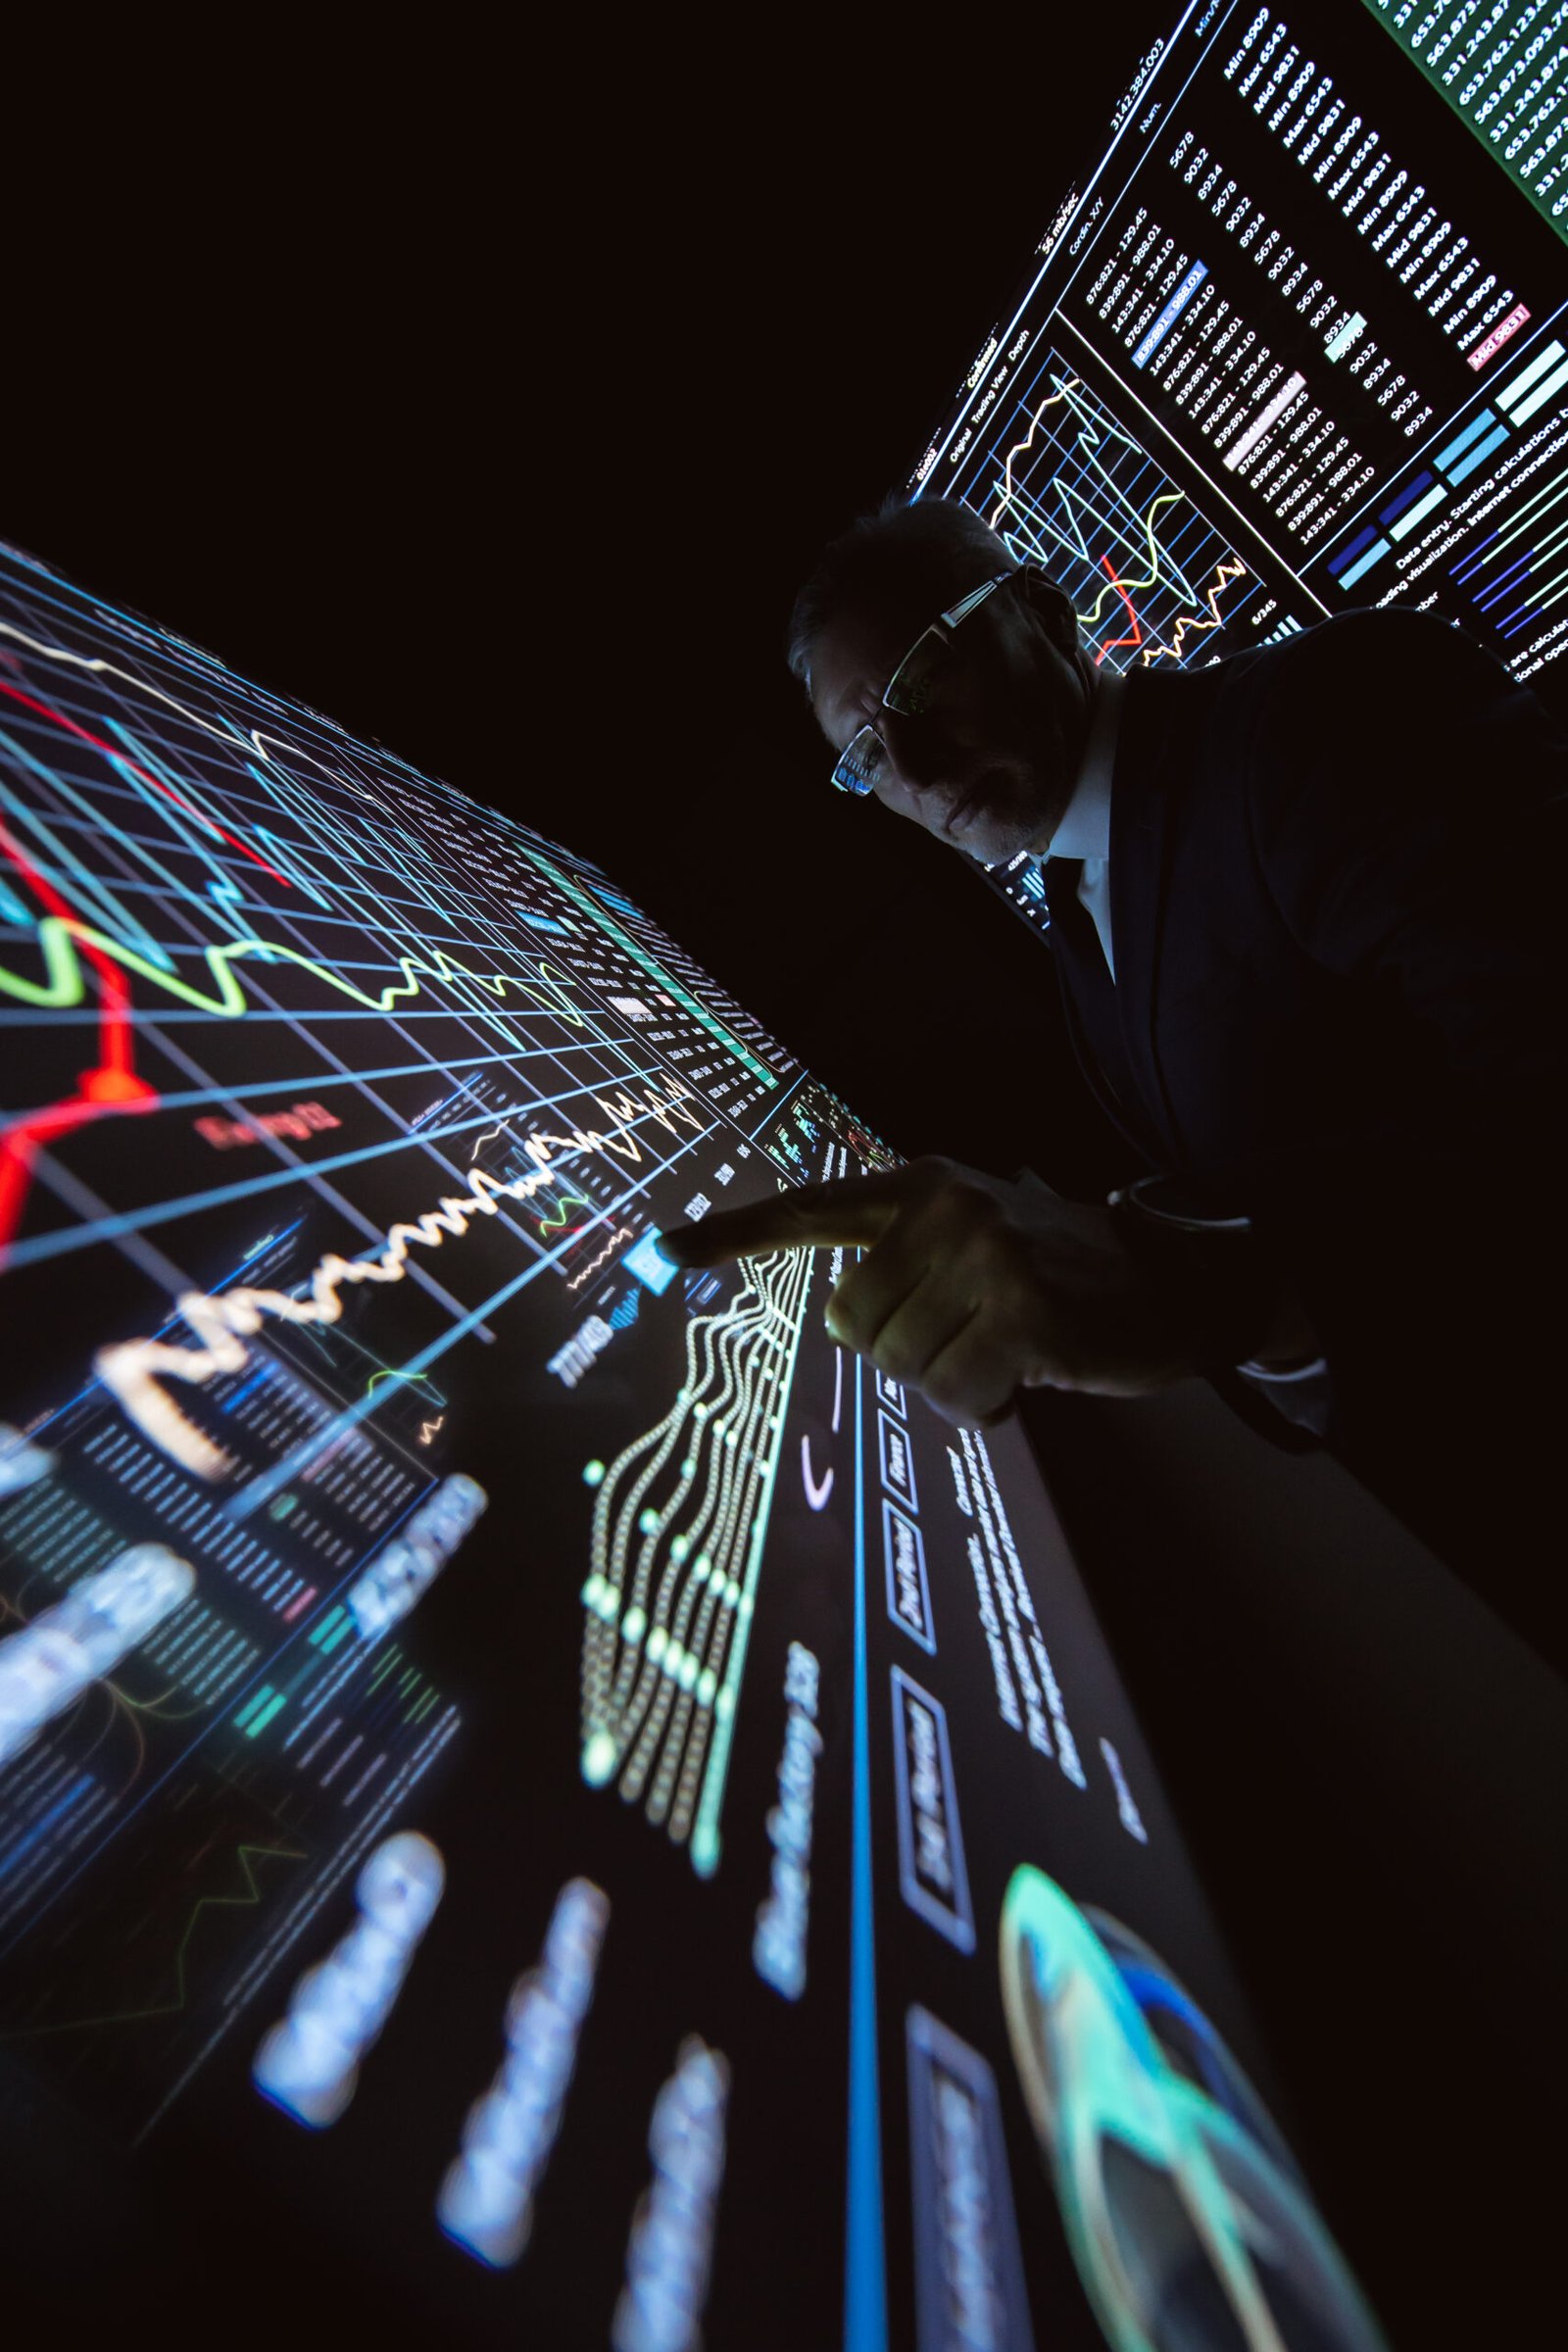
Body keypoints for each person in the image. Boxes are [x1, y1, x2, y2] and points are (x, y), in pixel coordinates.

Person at [659, 497, 1568, 1664]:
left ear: (1044, 611)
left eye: (925, 679)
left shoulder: (1328, 708)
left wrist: (1194, 1273)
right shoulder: (1079, 913)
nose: (918, 766)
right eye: (868, 755)